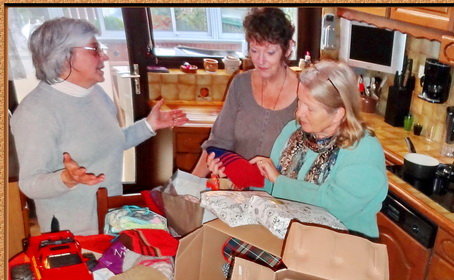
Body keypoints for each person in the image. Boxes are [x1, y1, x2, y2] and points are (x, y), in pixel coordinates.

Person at [11, 17, 188, 236]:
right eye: (94, 49)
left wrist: (149, 125)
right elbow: (30, 183)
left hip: (111, 219)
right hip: (74, 233)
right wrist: (66, 178)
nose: (104, 55)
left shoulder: (95, 93)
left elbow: (109, 143)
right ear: (64, 57)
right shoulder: (35, 113)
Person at [209, 60, 388, 239]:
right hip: (293, 237)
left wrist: (278, 180)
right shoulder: (293, 131)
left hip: (341, 248)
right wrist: (237, 173)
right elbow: (272, 187)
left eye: (310, 108)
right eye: (300, 102)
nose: (299, 113)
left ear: (338, 114)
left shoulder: (363, 150)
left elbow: (334, 208)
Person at [192, 7, 298, 177]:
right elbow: (219, 142)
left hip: (281, 197)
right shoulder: (240, 84)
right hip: (238, 192)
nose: (261, 60)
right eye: (254, 51)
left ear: (287, 49)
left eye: (270, 52)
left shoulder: (305, 91)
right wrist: (190, 185)